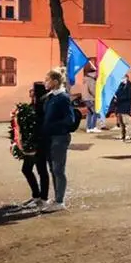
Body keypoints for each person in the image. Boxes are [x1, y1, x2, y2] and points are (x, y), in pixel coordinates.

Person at [42, 69, 75, 212]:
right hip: (50, 137)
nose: (45, 82)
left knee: (58, 169)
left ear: (55, 82)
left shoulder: (63, 97)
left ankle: (60, 201)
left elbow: (70, 119)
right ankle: (56, 198)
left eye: (47, 80)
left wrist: (53, 126)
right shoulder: (50, 97)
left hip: (59, 138)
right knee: (52, 169)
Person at [19, 82, 50, 208]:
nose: (30, 92)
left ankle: (43, 198)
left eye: (33, 90)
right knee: (26, 169)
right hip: (31, 142)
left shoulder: (42, 106)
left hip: (40, 142)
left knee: (41, 170)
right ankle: (36, 195)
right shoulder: (33, 105)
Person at [115, 77, 131, 142]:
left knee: (127, 122)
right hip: (119, 106)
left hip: (125, 107)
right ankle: (122, 135)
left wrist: (119, 98)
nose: (121, 79)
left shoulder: (129, 86)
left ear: (126, 78)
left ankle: (129, 135)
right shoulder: (120, 86)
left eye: (122, 78)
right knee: (121, 122)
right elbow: (117, 93)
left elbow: (128, 96)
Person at [82, 65, 99, 133]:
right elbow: (92, 89)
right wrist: (97, 96)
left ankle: (88, 128)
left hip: (85, 98)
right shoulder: (91, 79)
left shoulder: (85, 78)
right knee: (95, 112)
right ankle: (93, 127)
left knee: (90, 113)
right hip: (90, 98)